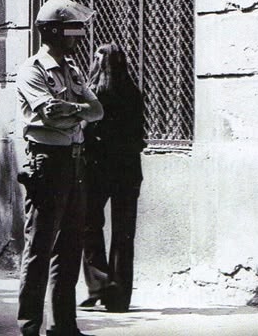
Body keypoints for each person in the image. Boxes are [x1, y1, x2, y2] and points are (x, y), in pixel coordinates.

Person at [16, 0, 104, 336]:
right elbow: (48, 111)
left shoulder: (74, 68)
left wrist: (70, 109)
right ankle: (30, 326)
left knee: (70, 248)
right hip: (47, 163)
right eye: (71, 30)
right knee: (39, 247)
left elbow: (97, 111)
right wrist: (75, 109)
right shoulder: (32, 70)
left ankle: (64, 326)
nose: (78, 36)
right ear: (52, 31)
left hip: (75, 161)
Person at [78, 43, 146, 313]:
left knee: (88, 225)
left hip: (97, 168)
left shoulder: (93, 95)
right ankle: (120, 298)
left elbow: (84, 130)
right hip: (128, 170)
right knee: (124, 233)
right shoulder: (133, 93)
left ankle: (98, 285)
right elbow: (139, 133)